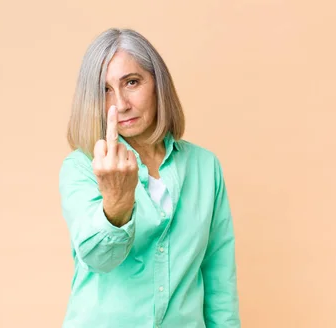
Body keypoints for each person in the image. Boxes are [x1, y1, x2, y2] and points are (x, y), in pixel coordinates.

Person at [58, 28, 241, 328]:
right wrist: (117, 200)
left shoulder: (205, 167)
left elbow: (219, 281)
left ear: (158, 84)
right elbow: (99, 258)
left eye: (131, 82)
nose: (120, 104)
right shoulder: (81, 167)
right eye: (104, 90)